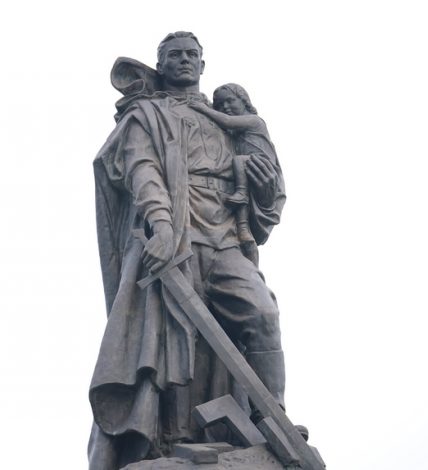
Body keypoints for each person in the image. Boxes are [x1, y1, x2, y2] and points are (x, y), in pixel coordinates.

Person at [88, 32, 287, 470]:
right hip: (177, 234)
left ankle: (273, 418)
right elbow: (142, 169)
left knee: (262, 314)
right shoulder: (147, 114)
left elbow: (267, 189)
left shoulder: (228, 118)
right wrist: (160, 224)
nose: (184, 60)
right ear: (161, 64)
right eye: (174, 55)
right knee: (174, 339)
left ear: (203, 64)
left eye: (191, 55)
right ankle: (172, 438)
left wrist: (264, 185)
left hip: (226, 236)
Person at [188, 84, 278, 261]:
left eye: (230, 101)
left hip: (257, 162)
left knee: (238, 164)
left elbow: (227, 121)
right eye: (220, 105)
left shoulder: (254, 121)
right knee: (240, 201)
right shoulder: (231, 133)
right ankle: (243, 230)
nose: (225, 107)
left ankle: (242, 193)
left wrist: (203, 109)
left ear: (244, 101)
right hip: (243, 170)